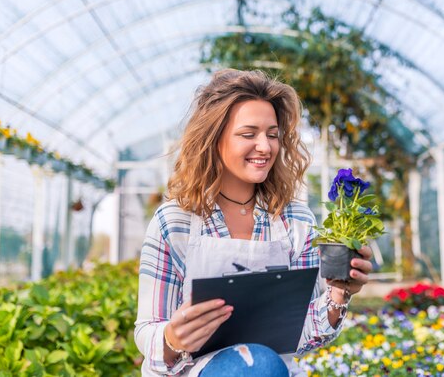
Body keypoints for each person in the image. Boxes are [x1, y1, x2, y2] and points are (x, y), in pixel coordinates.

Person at [134, 69, 373, 376]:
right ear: (214, 138)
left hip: (272, 369)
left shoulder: (295, 221)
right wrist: (172, 339)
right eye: (249, 134)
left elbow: (302, 335)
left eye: (272, 135)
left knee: (260, 365)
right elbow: (147, 330)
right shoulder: (175, 222)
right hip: (193, 371)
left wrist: (340, 293)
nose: (265, 146)